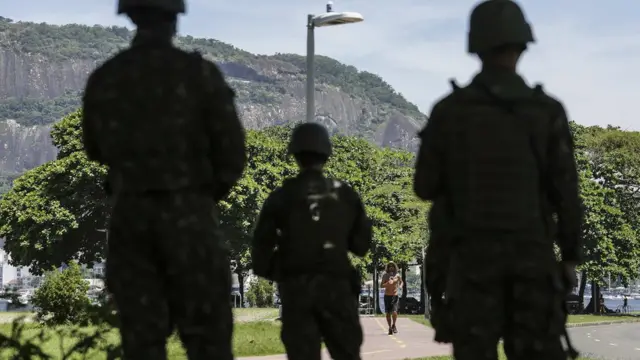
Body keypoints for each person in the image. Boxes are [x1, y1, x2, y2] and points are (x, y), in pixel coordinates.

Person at [413, 1, 583, 359]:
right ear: (522, 45)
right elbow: (567, 195)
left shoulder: (450, 112)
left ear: (475, 45)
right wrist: (568, 260)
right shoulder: (546, 111)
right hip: (533, 265)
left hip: (471, 269)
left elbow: (425, 187)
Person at [81, 0, 246, 358]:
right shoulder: (199, 75)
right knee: (209, 341)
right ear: (175, 19)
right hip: (191, 217)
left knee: (141, 343)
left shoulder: (108, 77)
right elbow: (233, 155)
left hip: (132, 219)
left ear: (130, 16)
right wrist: (199, 197)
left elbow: (94, 148)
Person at [251, 122, 372, 360]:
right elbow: (361, 245)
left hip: (296, 291)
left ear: (294, 154)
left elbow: (260, 254)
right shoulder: (345, 195)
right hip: (337, 288)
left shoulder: (280, 197)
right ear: (326, 153)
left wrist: (286, 270)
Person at [381, 262, 403, 335]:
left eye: (392, 266)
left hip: (395, 295)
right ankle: (390, 327)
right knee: (387, 313)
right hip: (387, 296)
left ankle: (394, 325)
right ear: (387, 267)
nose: (391, 267)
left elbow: (401, 282)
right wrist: (387, 283)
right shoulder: (385, 275)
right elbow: (381, 285)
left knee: (394, 312)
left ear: (395, 267)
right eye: (389, 266)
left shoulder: (397, 275)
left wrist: (400, 286)